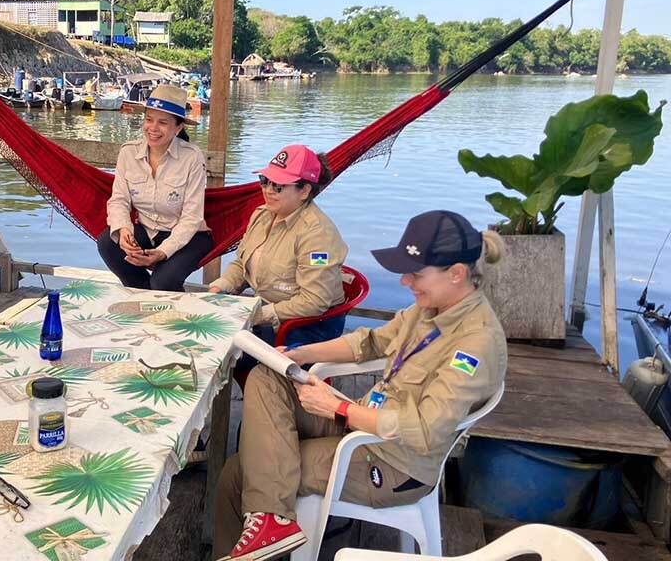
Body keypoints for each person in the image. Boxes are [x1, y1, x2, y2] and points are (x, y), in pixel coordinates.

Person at [214, 210, 508, 561]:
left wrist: (339, 409)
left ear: (457, 274)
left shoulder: (475, 344)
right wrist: (297, 352)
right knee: (267, 375)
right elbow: (367, 342)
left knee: (248, 471)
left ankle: (270, 519)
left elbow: (425, 429)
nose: (405, 283)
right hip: (362, 420)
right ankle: (266, 522)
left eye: (415, 273)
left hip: (393, 460)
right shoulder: (429, 308)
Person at [209, 144, 348, 355]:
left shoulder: (318, 235)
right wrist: (220, 288)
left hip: (309, 326)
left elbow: (314, 302)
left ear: (304, 191)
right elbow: (241, 263)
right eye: (265, 181)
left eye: (279, 186)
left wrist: (257, 315)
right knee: (210, 332)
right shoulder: (262, 214)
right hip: (269, 310)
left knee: (222, 346)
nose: (268, 190)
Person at [97, 84, 212, 291]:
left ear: (178, 128)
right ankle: (142, 297)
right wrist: (124, 231)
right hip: (147, 230)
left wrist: (163, 252)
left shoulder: (192, 157)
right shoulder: (128, 153)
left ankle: (171, 316)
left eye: (163, 122)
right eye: (149, 119)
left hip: (189, 236)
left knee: (163, 281)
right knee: (108, 242)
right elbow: (119, 200)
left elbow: (192, 218)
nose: (153, 128)